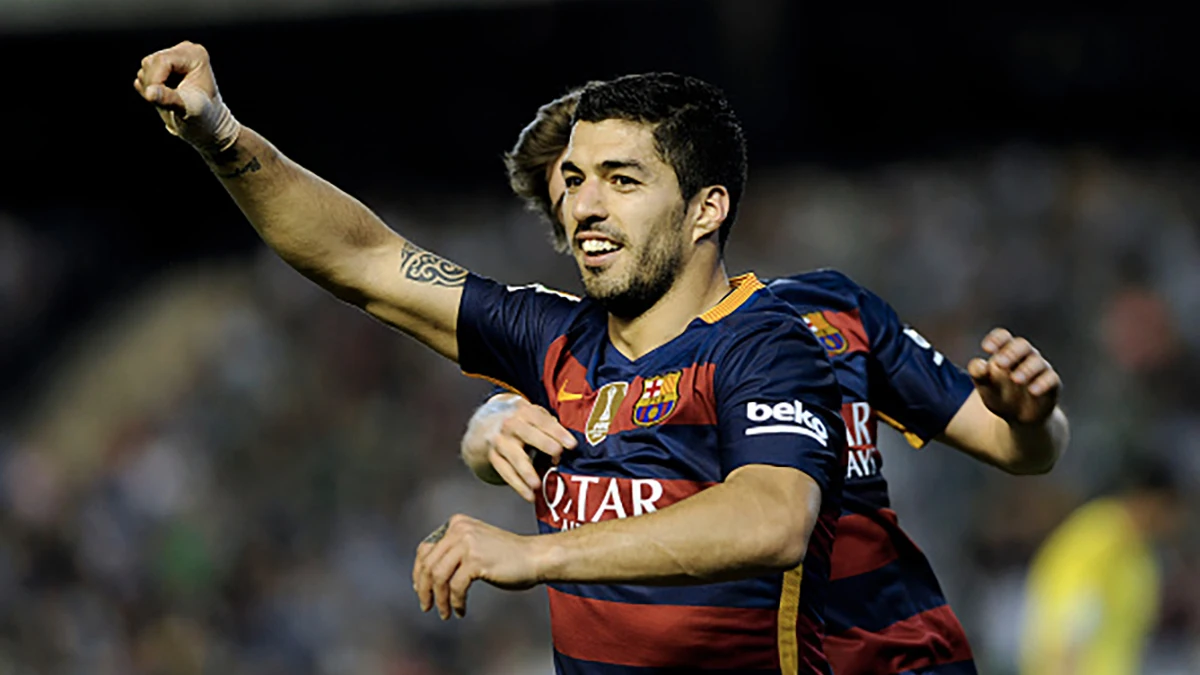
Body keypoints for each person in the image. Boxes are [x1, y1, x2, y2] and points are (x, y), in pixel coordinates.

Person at [135, 43, 850, 673]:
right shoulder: (552, 337)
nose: (584, 207)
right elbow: (363, 259)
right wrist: (222, 135)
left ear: (706, 209)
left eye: (622, 181)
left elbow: (773, 517)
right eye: (574, 179)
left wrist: (537, 555)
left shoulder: (766, 343)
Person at [461, 86, 1071, 675]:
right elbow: (505, 439)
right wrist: (486, 428)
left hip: (897, 657)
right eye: (570, 191)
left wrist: (1030, 416)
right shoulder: (577, 367)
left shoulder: (833, 311)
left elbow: (1017, 448)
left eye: (619, 179)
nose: (589, 210)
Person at [1019, 457, 1185, 675]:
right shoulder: (1097, 538)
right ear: (1151, 500)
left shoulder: (1143, 559)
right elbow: (1066, 621)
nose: (1175, 522)